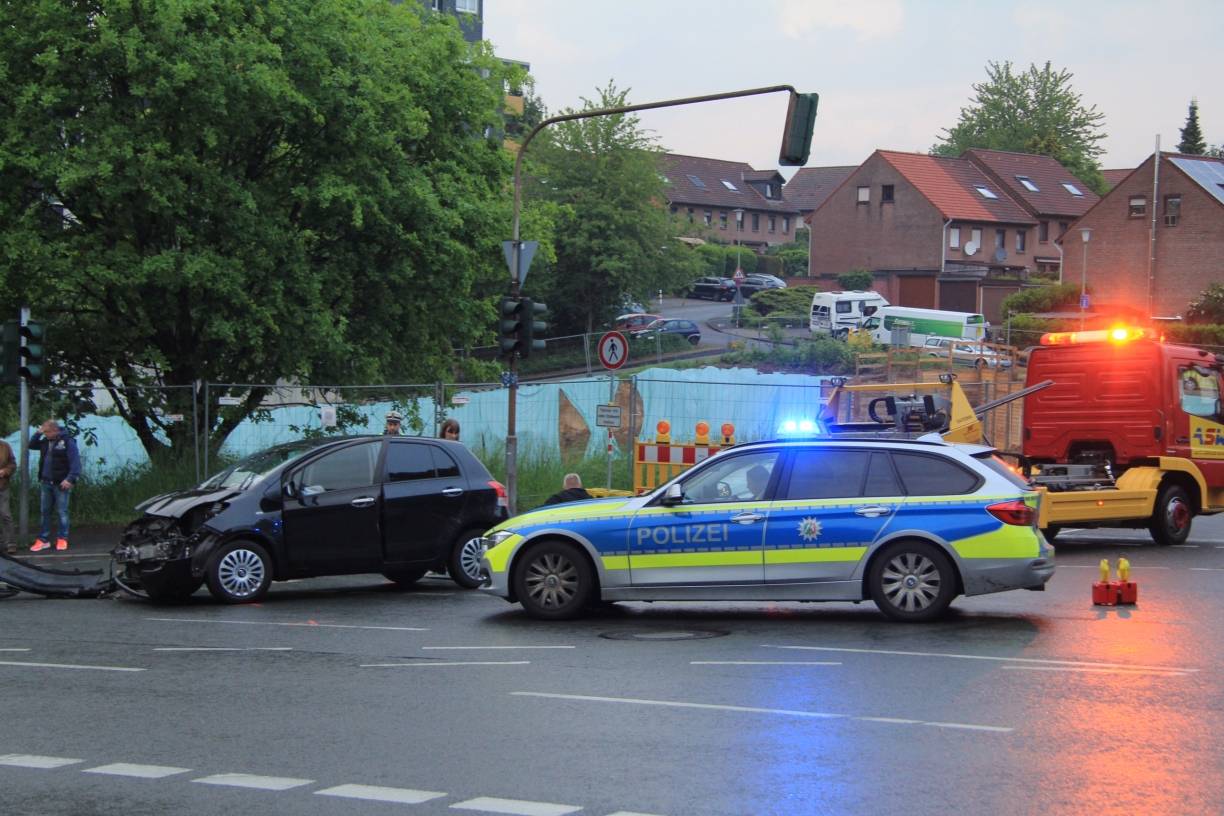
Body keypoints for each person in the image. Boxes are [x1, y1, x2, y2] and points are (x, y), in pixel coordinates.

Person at [29, 419, 80, 552]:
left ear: (55, 430)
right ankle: (43, 539)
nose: (45, 434)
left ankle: (62, 538)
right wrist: (37, 432)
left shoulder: (67, 442)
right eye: (44, 432)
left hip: (61, 483)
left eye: (47, 432)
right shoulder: (45, 441)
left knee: (62, 511)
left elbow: (75, 463)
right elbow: (32, 444)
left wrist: (70, 479)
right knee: (45, 511)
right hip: (46, 482)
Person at [0, 437, 15, 554]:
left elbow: (12, 463)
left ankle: (10, 543)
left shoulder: (5, 446)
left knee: (5, 514)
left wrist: (5, 471)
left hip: (2, 485)